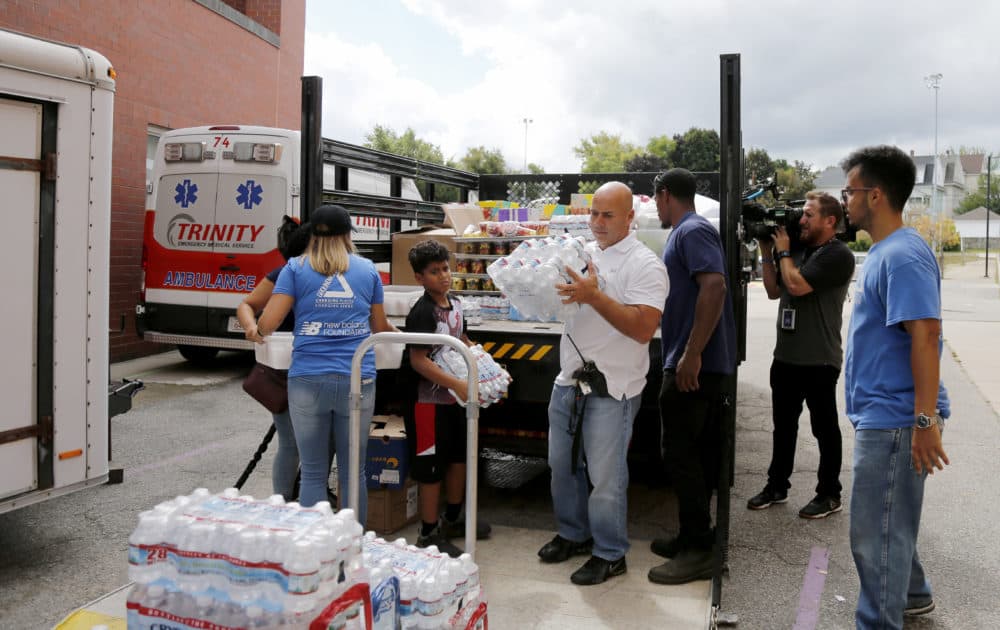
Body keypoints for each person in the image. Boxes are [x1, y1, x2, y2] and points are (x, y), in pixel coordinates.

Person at [536, 181, 668, 586]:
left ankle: (610, 553)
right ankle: (574, 533)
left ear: (631, 217)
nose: (597, 222)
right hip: (569, 379)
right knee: (562, 466)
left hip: (614, 386)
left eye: (608, 215)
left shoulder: (645, 265)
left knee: (606, 477)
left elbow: (645, 328)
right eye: (593, 213)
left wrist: (595, 298)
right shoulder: (581, 253)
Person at [840, 145, 950, 629]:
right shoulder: (885, 251)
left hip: (896, 421)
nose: (845, 200)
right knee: (891, 521)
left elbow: (925, 335)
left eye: (850, 191)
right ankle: (913, 594)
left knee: (875, 534)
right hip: (886, 415)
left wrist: (924, 421)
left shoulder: (902, 255)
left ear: (876, 195)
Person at [256, 204, 398, 520]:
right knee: (353, 473)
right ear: (348, 235)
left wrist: (254, 330)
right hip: (357, 379)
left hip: (307, 379)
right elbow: (379, 327)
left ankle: (313, 555)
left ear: (313, 236)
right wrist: (400, 332)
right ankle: (352, 551)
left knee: (313, 472)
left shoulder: (294, 269)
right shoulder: (368, 270)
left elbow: (268, 323)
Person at [649, 167, 736, 585]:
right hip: (691, 360)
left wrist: (691, 354)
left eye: (654, 200)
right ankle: (692, 535)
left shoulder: (692, 230)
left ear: (665, 195)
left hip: (693, 365)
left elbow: (714, 286)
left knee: (680, 456)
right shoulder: (687, 232)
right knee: (691, 456)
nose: (655, 208)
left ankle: (699, 550)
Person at [747, 192, 855, 518]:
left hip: (820, 359)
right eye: (802, 214)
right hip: (787, 356)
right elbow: (772, 290)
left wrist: (782, 251)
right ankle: (777, 485)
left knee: (824, 428)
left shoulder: (838, 255)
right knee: (783, 427)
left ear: (829, 221)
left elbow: (795, 285)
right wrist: (768, 249)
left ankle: (829, 493)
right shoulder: (796, 249)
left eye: (809, 215)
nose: (801, 220)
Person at [402, 240, 492, 558]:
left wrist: (483, 364)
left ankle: (452, 518)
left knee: (458, 458)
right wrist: (458, 382)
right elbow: (418, 360)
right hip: (429, 405)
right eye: (434, 272)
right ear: (419, 277)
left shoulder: (455, 304)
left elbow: (460, 339)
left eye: (445, 268)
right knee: (430, 467)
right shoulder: (422, 313)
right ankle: (428, 532)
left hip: (455, 400)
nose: (443, 276)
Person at [237, 217, 320, 501]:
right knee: (292, 442)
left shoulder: (333, 275)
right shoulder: (284, 274)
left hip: (317, 369)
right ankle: (282, 505)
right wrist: (251, 327)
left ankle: (304, 498)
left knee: (309, 443)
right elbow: (247, 305)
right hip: (284, 371)